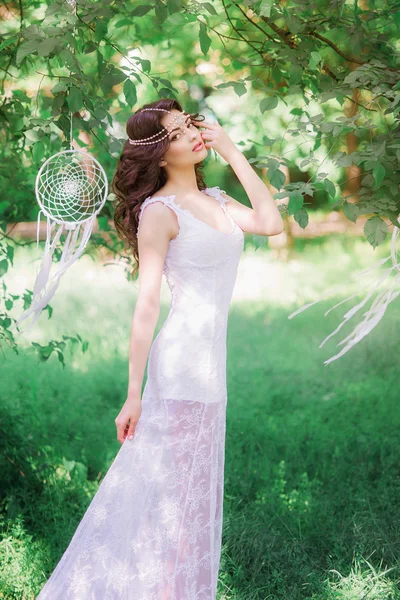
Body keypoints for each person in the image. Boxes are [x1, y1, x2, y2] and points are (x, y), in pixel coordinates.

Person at [35, 97, 283, 599]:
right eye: (174, 134)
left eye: (188, 126)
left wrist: (234, 152)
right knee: (175, 501)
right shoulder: (159, 212)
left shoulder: (216, 199)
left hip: (213, 368)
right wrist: (133, 392)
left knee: (190, 502)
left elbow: (271, 222)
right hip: (182, 368)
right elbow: (146, 305)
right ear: (158, 155)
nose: (189, 135)